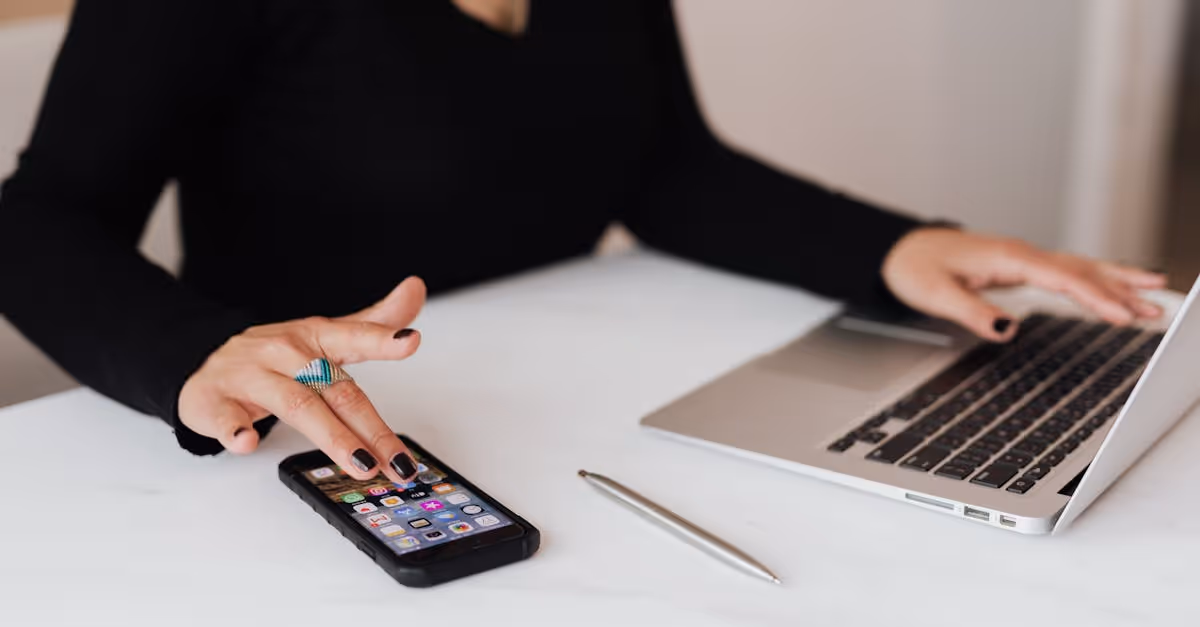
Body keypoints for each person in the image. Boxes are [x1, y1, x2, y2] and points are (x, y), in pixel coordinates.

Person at [0, 0, 1165, 485]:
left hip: (592, 418)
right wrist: (191, 354)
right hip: (321, 447)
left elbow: (663, 167)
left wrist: (897, 249)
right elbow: (37, 221)